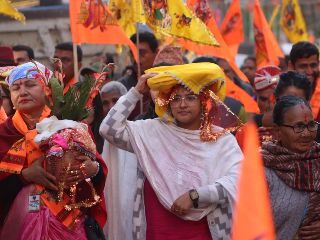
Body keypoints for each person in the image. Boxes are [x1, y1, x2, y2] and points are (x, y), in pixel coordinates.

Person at [100, 62, 243, 239]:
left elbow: (237, 181)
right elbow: (108, 129)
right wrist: (135, 92)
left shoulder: (222, 139)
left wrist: (196, 196)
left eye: (190, 97)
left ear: (203, 101)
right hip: (155, 232)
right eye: (176, 98)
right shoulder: (151, 132)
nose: (182, 104)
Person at [0, 62, 107, 239]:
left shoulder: (69, 125)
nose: (23, 92)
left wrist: (92, 169)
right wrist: (24, 176)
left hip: (71, 225)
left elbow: (98, 175)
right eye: (15, 88)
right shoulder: (4, 134)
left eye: (30, 84)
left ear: (48, 90)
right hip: (17, 226)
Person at [262, 95, 320, 239]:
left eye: (311, 125)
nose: (307, 133)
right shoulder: (262, 169)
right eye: (298, 126)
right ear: (277, 131)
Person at [288, 41, 320, 119]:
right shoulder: (282, 92)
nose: (309, 71)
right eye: (303, 66)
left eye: (313, 65)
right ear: (291, 66)